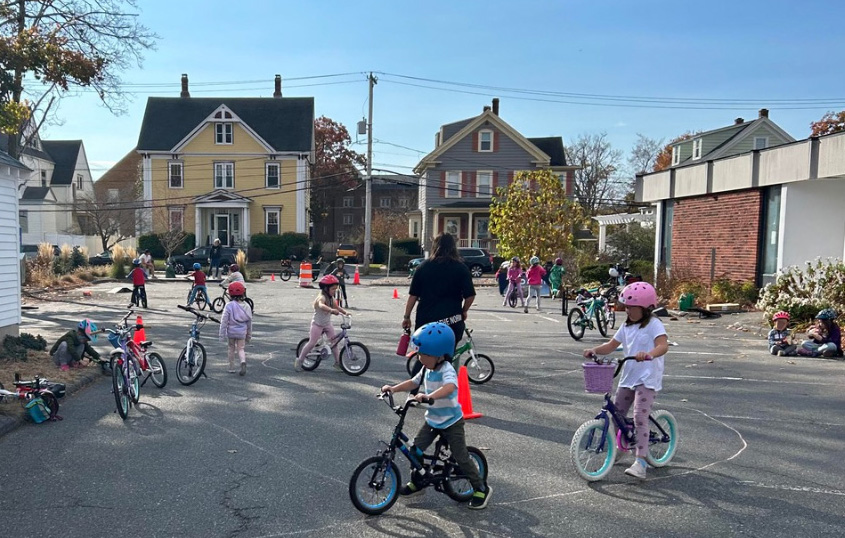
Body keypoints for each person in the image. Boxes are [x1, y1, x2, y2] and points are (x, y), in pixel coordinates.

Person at [380, 322, 492, 509]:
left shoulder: (447, 369)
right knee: (415, 451)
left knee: (461, 456)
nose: (420, 357)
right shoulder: (426, 368)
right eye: (419, 353)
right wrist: (393, 388)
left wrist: (429, 396)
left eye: (424, 354)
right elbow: (412, 382)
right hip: (433, 420)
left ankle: (481, 487)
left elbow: (450, 387)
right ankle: (418, 482)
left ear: (439, 354)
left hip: (451, 421)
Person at [582, 281, 669, 479]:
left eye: (632, 307)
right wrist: (594, 350)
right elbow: (612, 345)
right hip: (629, 376)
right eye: (626, 307)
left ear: (646, 308)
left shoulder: (654, 324)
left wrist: (649, 354)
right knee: (617, 414)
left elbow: (663, 346)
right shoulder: (627, 326)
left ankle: (640, 461)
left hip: (647, 378)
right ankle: (621, 448)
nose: (627, 310)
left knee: (639, 417)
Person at [402, 233, 475, 383]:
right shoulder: (461, 268)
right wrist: (464, 311)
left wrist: (406, 316)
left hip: (426, 320)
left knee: (424, 357)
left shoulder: (423, 267)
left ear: (435, 246)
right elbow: (470, 295)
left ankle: (413, 392)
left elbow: (413, 296)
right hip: (452, 320)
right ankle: (443, 391)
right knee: (447, 357)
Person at [295, 274, 349, 372]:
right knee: (312, 342)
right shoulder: (322, 297)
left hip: (327, 324)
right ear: (325, 288)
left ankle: (338, 362)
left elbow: (337, 307)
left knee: (334, 343)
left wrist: (345, 312)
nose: (334, 291)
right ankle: (300, 360)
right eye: (333, 289)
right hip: (317, 324)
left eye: (335, 289)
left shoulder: (331, 298)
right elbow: (321, 305)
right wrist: (331, 310)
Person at [218, 281, 253, 376]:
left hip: (231, 332)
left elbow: (224, 321)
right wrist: (249, 335)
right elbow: (249, 322)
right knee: (241, 348)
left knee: (231, 348)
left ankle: (231, 367)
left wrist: (222, 335)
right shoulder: (247, 306)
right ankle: (243, 361)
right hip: (242, 332)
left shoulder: (229, 305)